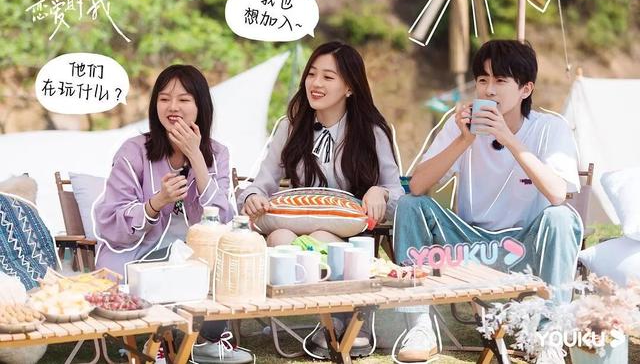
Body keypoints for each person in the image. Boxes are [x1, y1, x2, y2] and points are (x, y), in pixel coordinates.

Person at [392, 40, 582, 362]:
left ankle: (548, 336)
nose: (488, 90)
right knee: (411, 206)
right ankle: (420, 325)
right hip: (468, 246)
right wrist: (464, 140)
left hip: (524, 247)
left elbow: (556, 194)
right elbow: (417, 187)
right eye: (482, 80)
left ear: (525, 89)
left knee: (561, 217)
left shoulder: (550, 128)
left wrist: (508, 138)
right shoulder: (461, 126)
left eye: (500, 80)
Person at [239, 41, 405, 357]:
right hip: (294, 228)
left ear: (350, 87)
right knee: (280, 236)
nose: (315, 83)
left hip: (351, 235)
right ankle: (332, 320)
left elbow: (397, 194)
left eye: (328, 77)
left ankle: (339, 321)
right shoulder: (290, 127)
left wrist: (379, 191)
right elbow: (260, 183)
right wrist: (253, 198)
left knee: (321, 236)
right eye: (312, 74)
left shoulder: (371, 131)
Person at [93, 65, 251, 364]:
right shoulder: (133, 151)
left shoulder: (217, 153)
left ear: (200, 106)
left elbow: (222, 219)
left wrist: (196, 157)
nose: (173, 107)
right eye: (164, 99)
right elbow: (111, 220)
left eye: (184, 99)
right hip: (140, 252)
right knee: (173, 271)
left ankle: (204, 340)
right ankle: (160, 338)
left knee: (220, 261)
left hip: (195, 252)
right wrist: (157, 202)